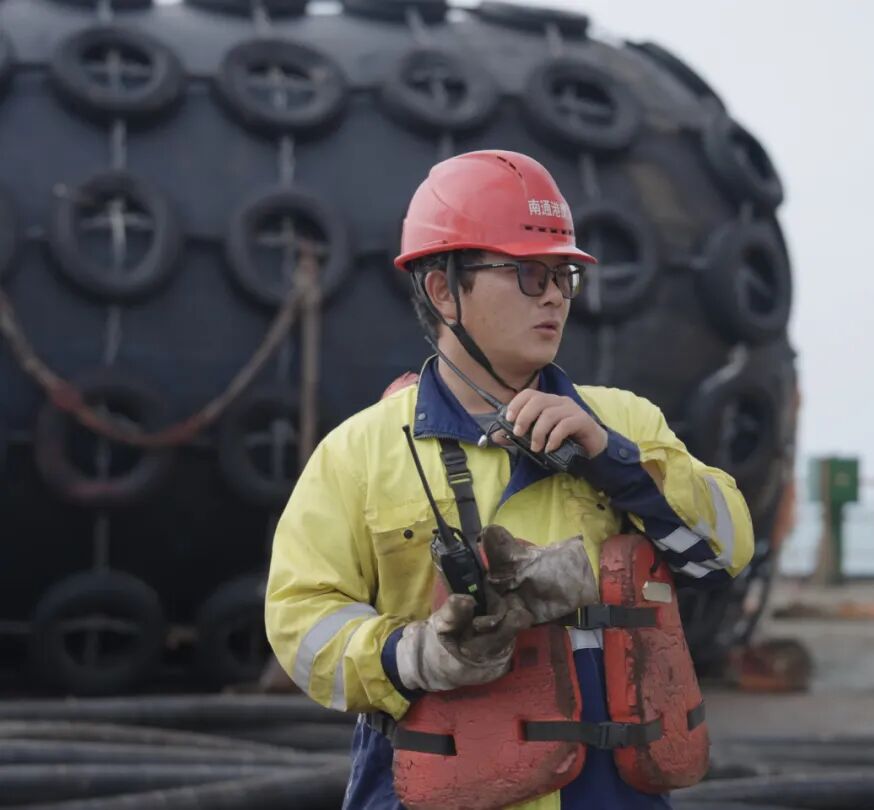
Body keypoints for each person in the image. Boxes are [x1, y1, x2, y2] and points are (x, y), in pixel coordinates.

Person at [264, 149, 754, 810]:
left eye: (564, 276)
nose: (554, 295)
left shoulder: (625, 423)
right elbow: (300, 623)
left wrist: (616, 462)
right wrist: (412, 655)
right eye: (528, 273)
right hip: (435, 790)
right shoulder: (362, 451)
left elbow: (725, 553)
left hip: (606, 794)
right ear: (443, 290)